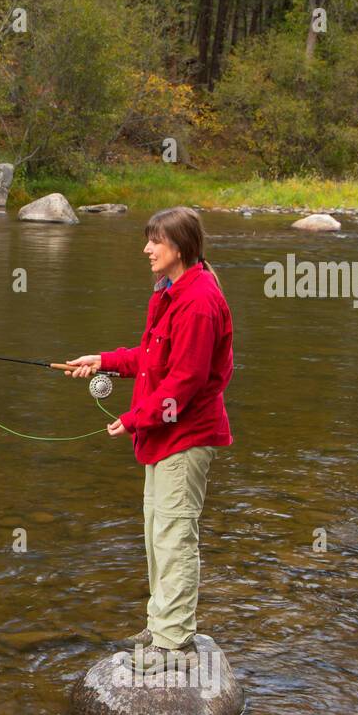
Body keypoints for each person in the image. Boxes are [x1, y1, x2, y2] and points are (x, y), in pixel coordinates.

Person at [64, 206, 234, 667]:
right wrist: (104, 360)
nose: (146, 249)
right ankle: (163, 623)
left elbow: (187, 382)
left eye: (154, 241)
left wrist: (136, 417)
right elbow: (152, 356)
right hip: (164, 434)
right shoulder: (172, 291)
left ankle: (173, 644)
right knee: (156, 534)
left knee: (175, 536)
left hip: (187, 436)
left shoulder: (199, 301)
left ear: (178, 247)